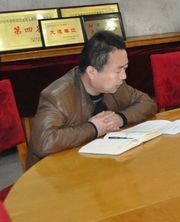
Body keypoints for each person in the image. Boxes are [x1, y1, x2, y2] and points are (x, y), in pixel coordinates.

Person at [27, 31, 157, 167]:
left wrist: (119, 118)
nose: (124, 76)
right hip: (59, 171)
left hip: (100, 162)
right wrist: (94, 128)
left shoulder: (116, 86)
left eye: (125, 68)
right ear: (92, 72)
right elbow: (43, 142)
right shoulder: (57, 96)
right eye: (118, 70)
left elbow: (147, 103)